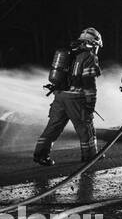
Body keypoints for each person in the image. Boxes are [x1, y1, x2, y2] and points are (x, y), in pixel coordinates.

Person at [33, 27, 104, 166]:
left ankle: (40, 154)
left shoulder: (70, 53)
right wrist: (91, 102)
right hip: (76, 98)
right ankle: (90, 156)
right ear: (92, 43)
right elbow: (89, 82)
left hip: (59, 96)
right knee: (85, 126)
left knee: (53, 126)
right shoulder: (89, 57)